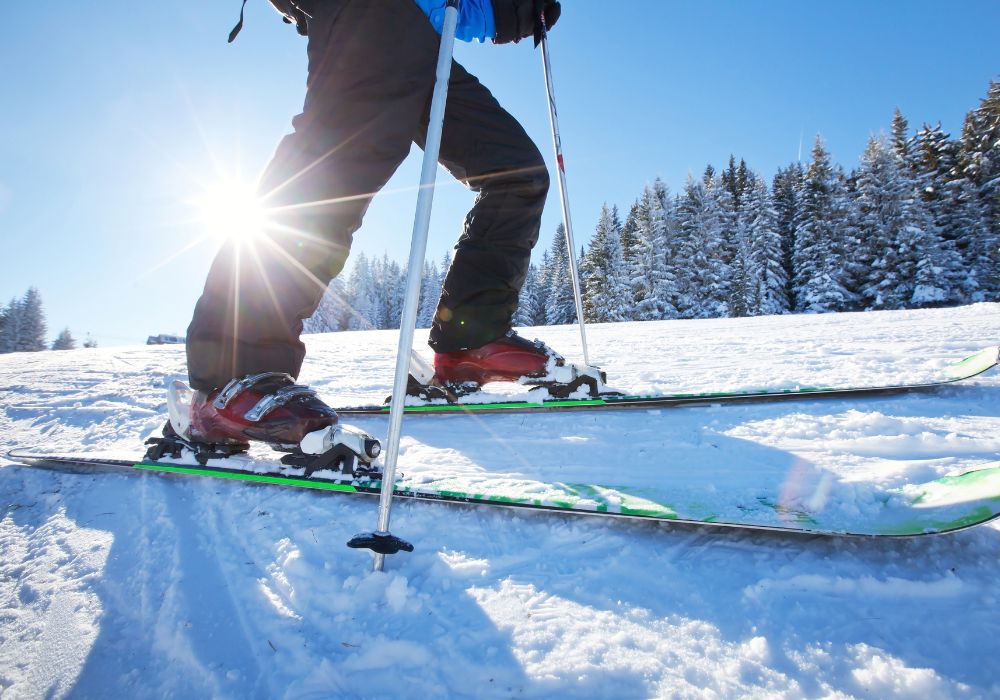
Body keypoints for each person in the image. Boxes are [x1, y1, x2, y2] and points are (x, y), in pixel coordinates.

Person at [181, 0, 564, 451]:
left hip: (423, 32)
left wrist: (515, 11)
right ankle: (231, 380)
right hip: (369, 13)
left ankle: (469, 341)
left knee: (516, 173)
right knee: (337, 164)